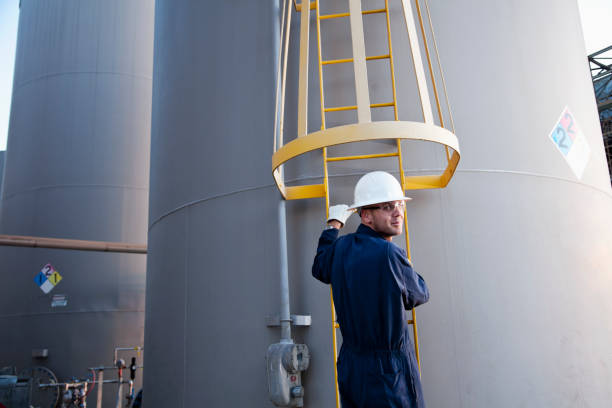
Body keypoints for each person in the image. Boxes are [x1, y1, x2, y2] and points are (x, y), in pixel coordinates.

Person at [312, 171, 429, 408]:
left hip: (352, 367)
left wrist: (333, 225)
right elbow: (419, 294)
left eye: (399, 205)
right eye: (387, 206)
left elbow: (320, 268)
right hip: (389, 374)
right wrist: (405, 265)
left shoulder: (341, 247)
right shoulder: (390, 254)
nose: (398, 212)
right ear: (365, 215)